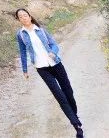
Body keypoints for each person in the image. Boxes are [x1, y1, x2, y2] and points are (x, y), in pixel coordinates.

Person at [14, 8, 83, 136]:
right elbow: (23, 53)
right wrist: (25, 70)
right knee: (60, 97)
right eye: (20, 16)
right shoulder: (21, 35)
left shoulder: (41, 30)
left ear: (30, 16)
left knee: (69, 93)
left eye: (25, 15)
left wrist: (53, 52)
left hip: (56, 64)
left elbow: (54, 44)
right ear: (19, 20)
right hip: (42, 68)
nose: (23, 17)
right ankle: (77, 126)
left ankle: (75, 116)